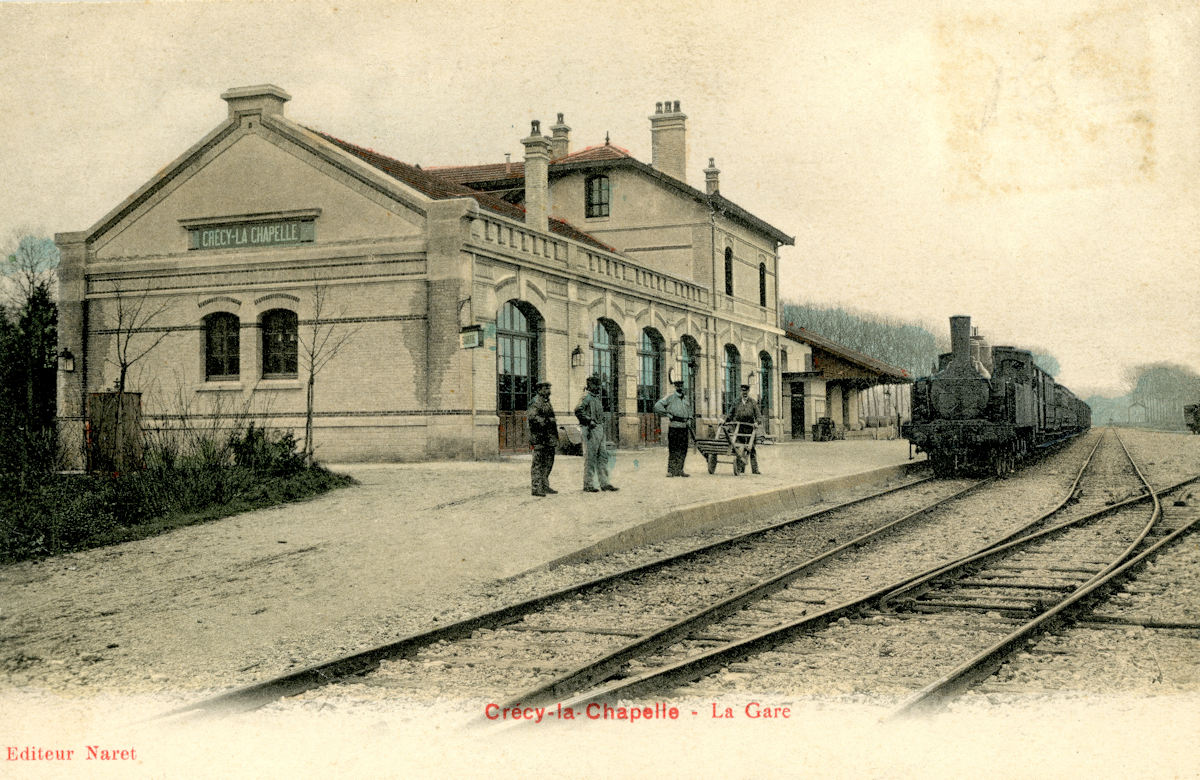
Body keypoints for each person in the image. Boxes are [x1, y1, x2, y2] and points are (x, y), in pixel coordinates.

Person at [574, 375, 618, 493]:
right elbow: (578, 410)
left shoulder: (596, 398)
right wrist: (589, 421)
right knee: (590, 457)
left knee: (603, 457)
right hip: (590, 430)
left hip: (599, 429)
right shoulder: (586, 397)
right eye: (596, 385)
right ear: (590, 385)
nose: (598, 387)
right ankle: (588, 484)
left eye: (599, 385)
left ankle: (604, 483)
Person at [654, 379, 693, 477]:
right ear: (675, 387)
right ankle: (671, 471)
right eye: (678, 386)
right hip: (674, 427)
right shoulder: (670, 397)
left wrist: (689, 419)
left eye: (681, 386)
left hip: (684, 427)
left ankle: (680, 470)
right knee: (673, 448)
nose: (680, 387)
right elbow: (657, 406)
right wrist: (667, 414)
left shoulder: (686, 398)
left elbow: (690, 411)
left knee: (683, 449)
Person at [526, 381, 558, 497]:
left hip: (549, 438)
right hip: (539, 438)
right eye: (545, 389)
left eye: (549, 388)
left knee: (548, 463)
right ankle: (536, 488)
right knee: (538, 463)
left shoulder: (547, 402)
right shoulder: (535, 402)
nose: (548, 391)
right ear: (539, 390)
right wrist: (548, 421)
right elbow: (533, 418)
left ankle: (544, 485)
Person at [725, 383, 763, 474]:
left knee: (752, 448)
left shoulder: (753, 402)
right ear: (741, 391)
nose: (744, 393)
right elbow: (730, 414)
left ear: (748, 391)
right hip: (738, 429)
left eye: (746, 391)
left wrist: (757, 423)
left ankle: (755, 469)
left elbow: (758, 416)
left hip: (750, 429)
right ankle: (741, 468)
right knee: (740, 448)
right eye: (743, 391)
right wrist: (725, 421)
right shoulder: (736, 402)